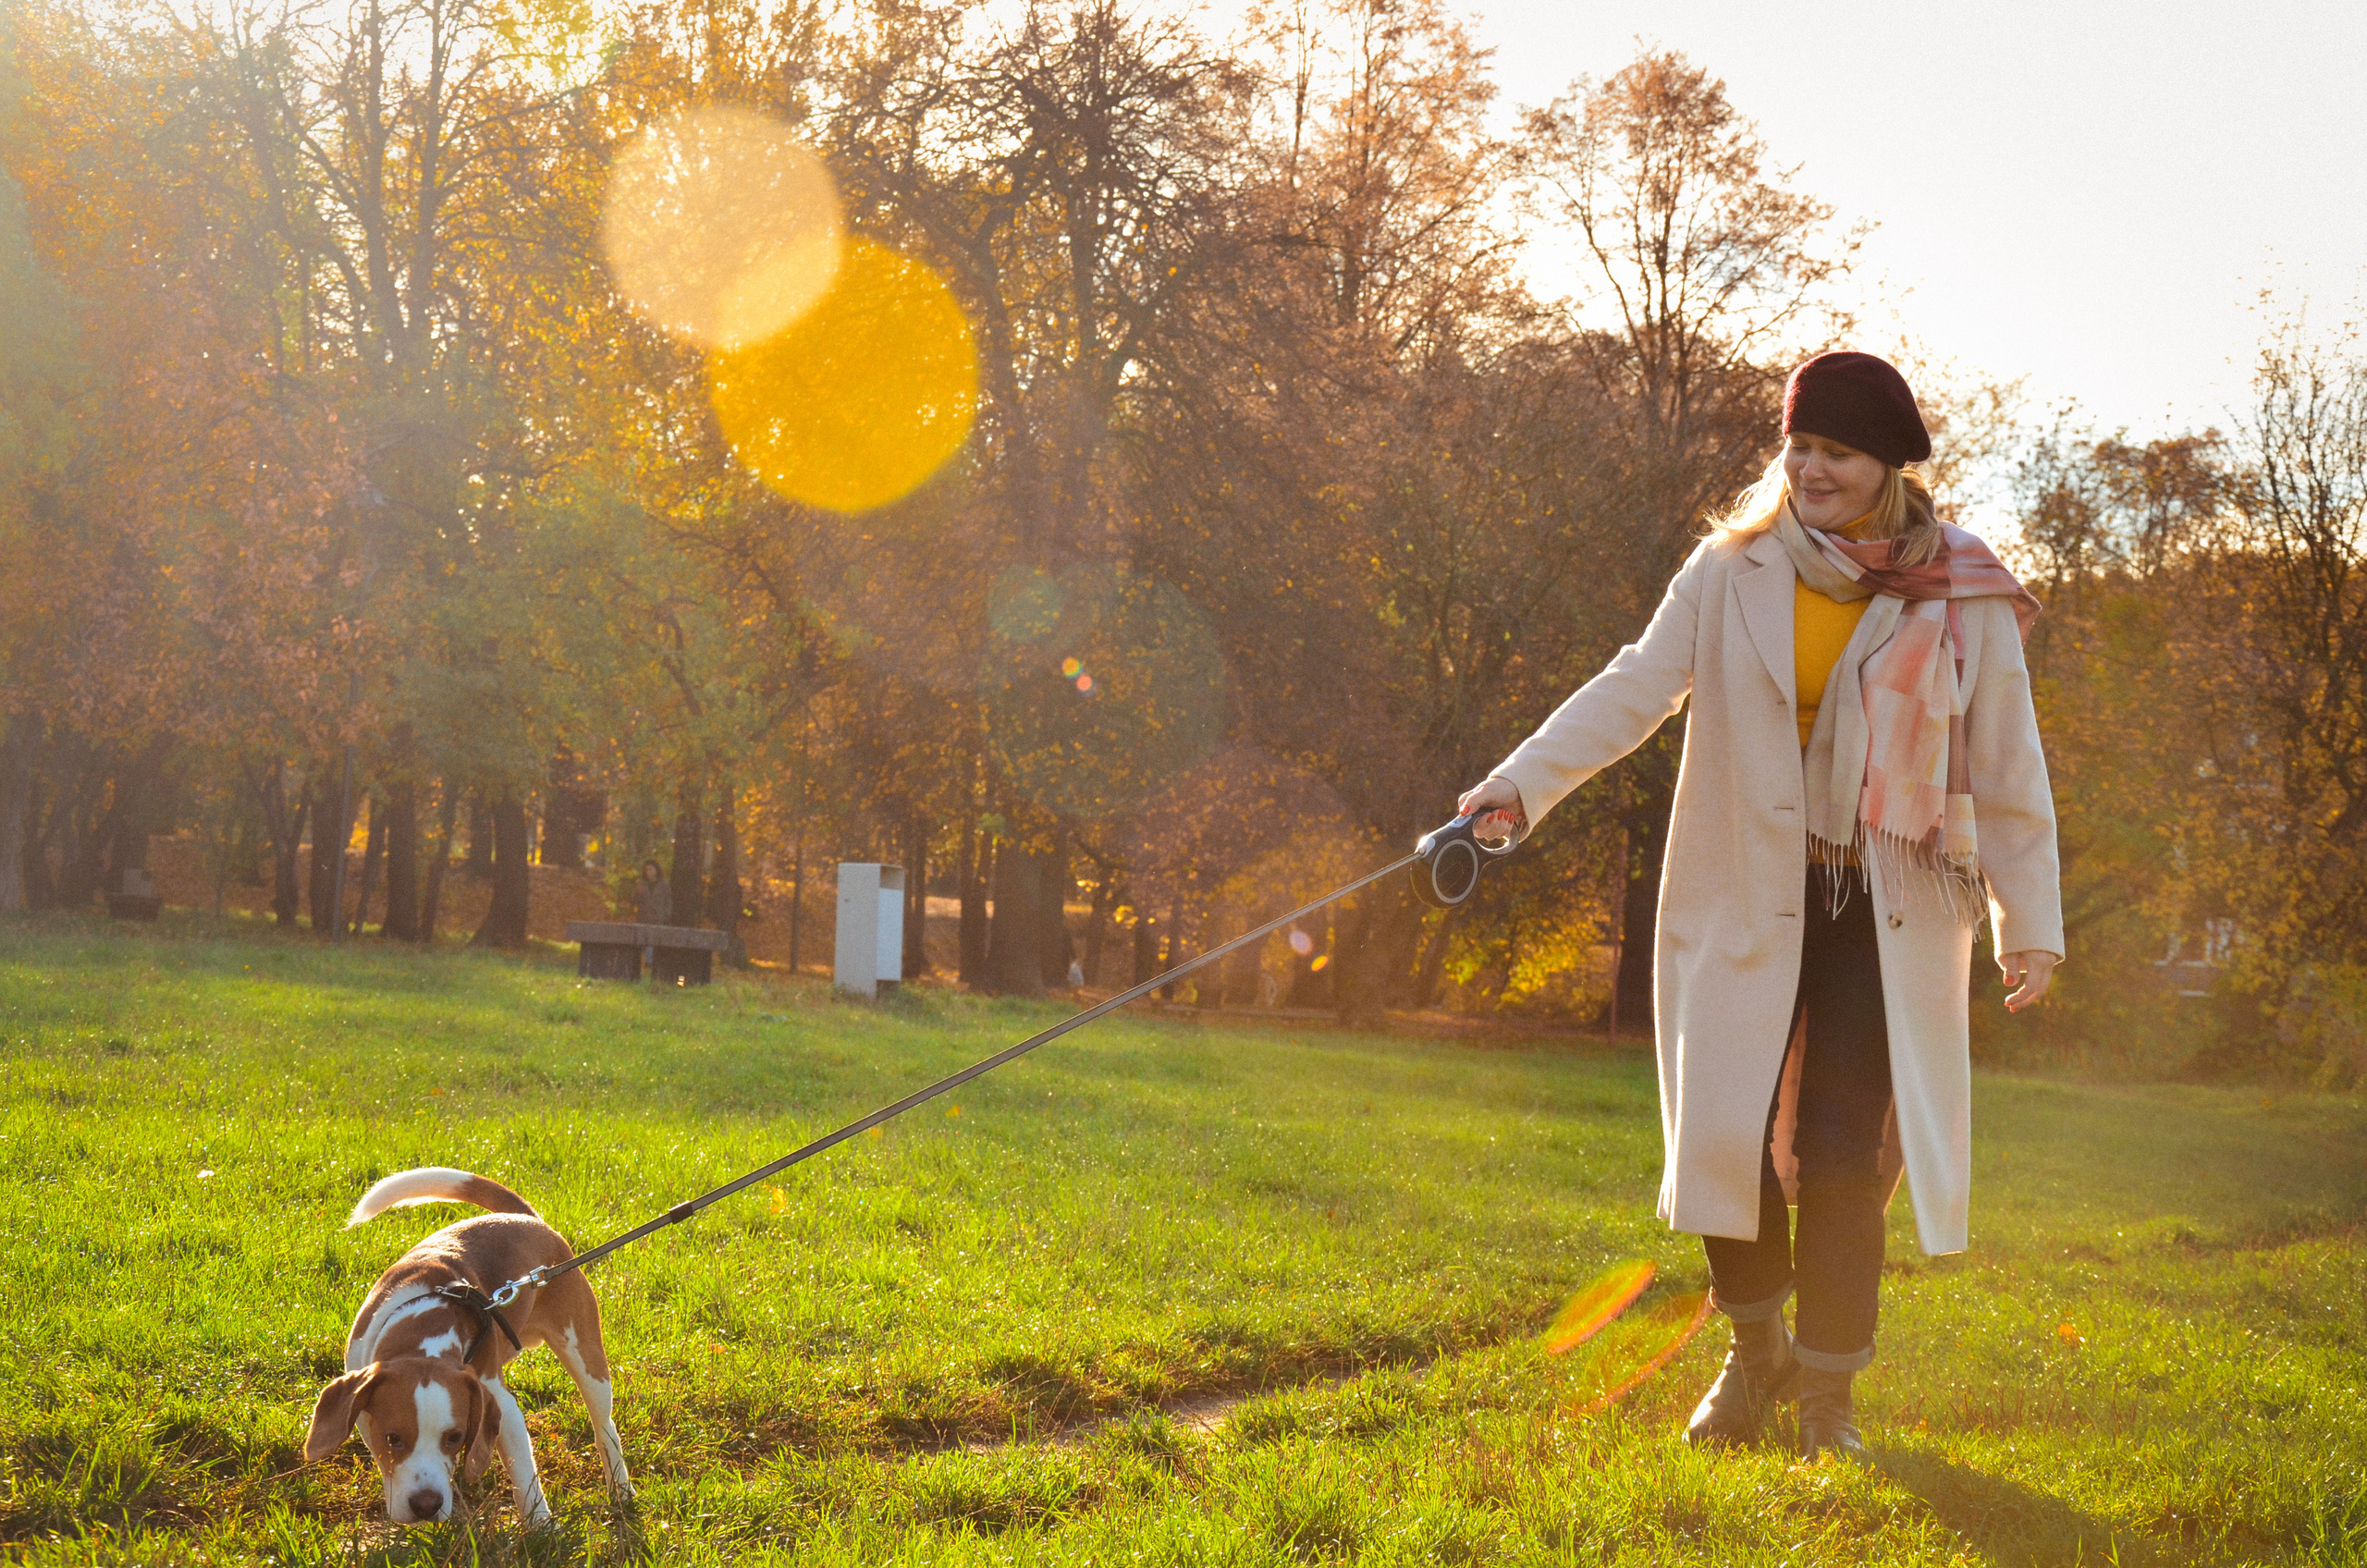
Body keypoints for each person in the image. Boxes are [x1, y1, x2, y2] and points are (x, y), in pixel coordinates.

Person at [1458, 351, 2062, 1461]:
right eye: (1798, 447)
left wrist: (2031, 923)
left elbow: (2007, 760)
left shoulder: (1959, 590)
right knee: (1722, 1141)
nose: (1810, 468)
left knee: (1836, 1150)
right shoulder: (1728, 567)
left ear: (1887, 466)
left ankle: (1828, 1395)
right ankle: (1753, 1351)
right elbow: (1637, 682)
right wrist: (1518, 785)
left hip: (1879, 898)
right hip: (1742, 883)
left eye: (1835, 451)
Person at [635, 859, 670, 975]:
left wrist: (665, 916)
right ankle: (641, 964)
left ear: (656, 870)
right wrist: (637, 892)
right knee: (642, 943)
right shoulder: (641, 884)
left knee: (652, 943)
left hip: (657, 919)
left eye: (651, 869)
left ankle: (650, 964)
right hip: (643, 918)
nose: (648, 872)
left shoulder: (664, 885)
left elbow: (668, 902)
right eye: (646, 870)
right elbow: (634, 901)